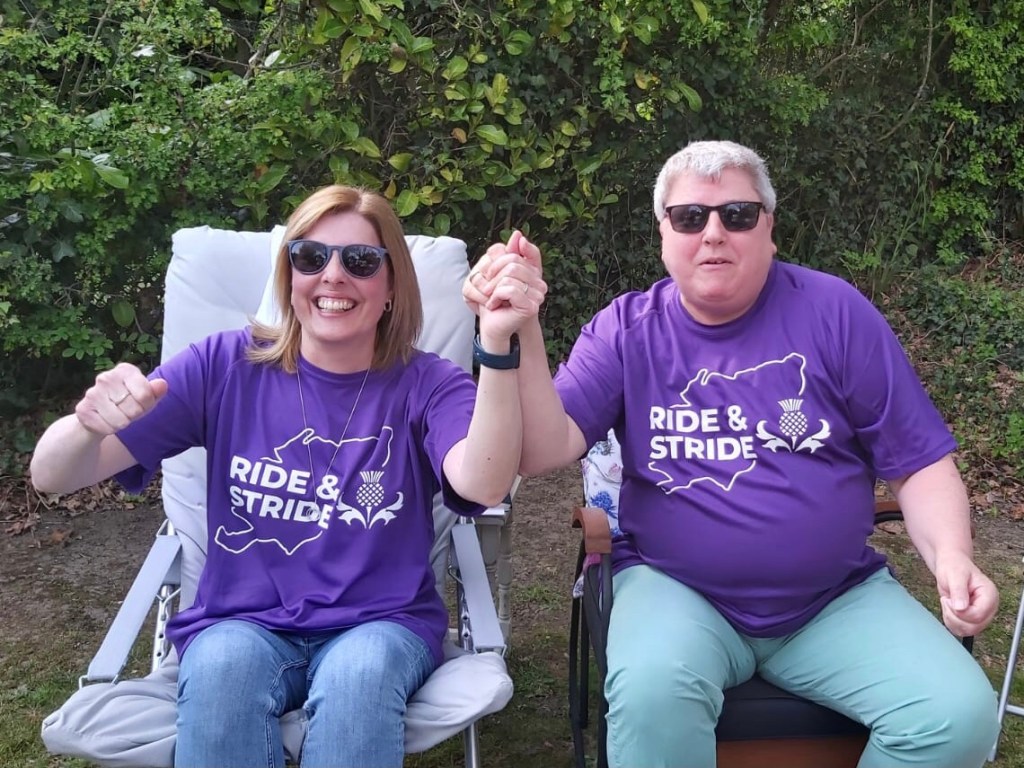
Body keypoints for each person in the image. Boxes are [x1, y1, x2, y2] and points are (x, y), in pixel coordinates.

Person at [463, 140, 1000, 767]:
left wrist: (952, 556)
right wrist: (523, 324)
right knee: (651, 692)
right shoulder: (627, 329)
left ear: (769, 227)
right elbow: (542, 448)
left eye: (737, 215)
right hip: (676, 588)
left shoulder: (837, 315)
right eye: (690, 216)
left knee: (957, 715)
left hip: (832, 601)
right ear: (663, 233)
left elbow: (919, 462)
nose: (713, 232)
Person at [30, 185, 535, 768]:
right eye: (310, 257)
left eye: (361, 261)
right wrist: (86, 427)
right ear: (289, 274)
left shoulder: (429, 384)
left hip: (380, 625)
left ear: (392, 285)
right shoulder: (225, 366)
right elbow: (51, 476)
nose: (332, 275)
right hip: (238, 623)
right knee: (221, 673)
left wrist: (495, 345)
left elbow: (483, 484)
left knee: (359, 678)